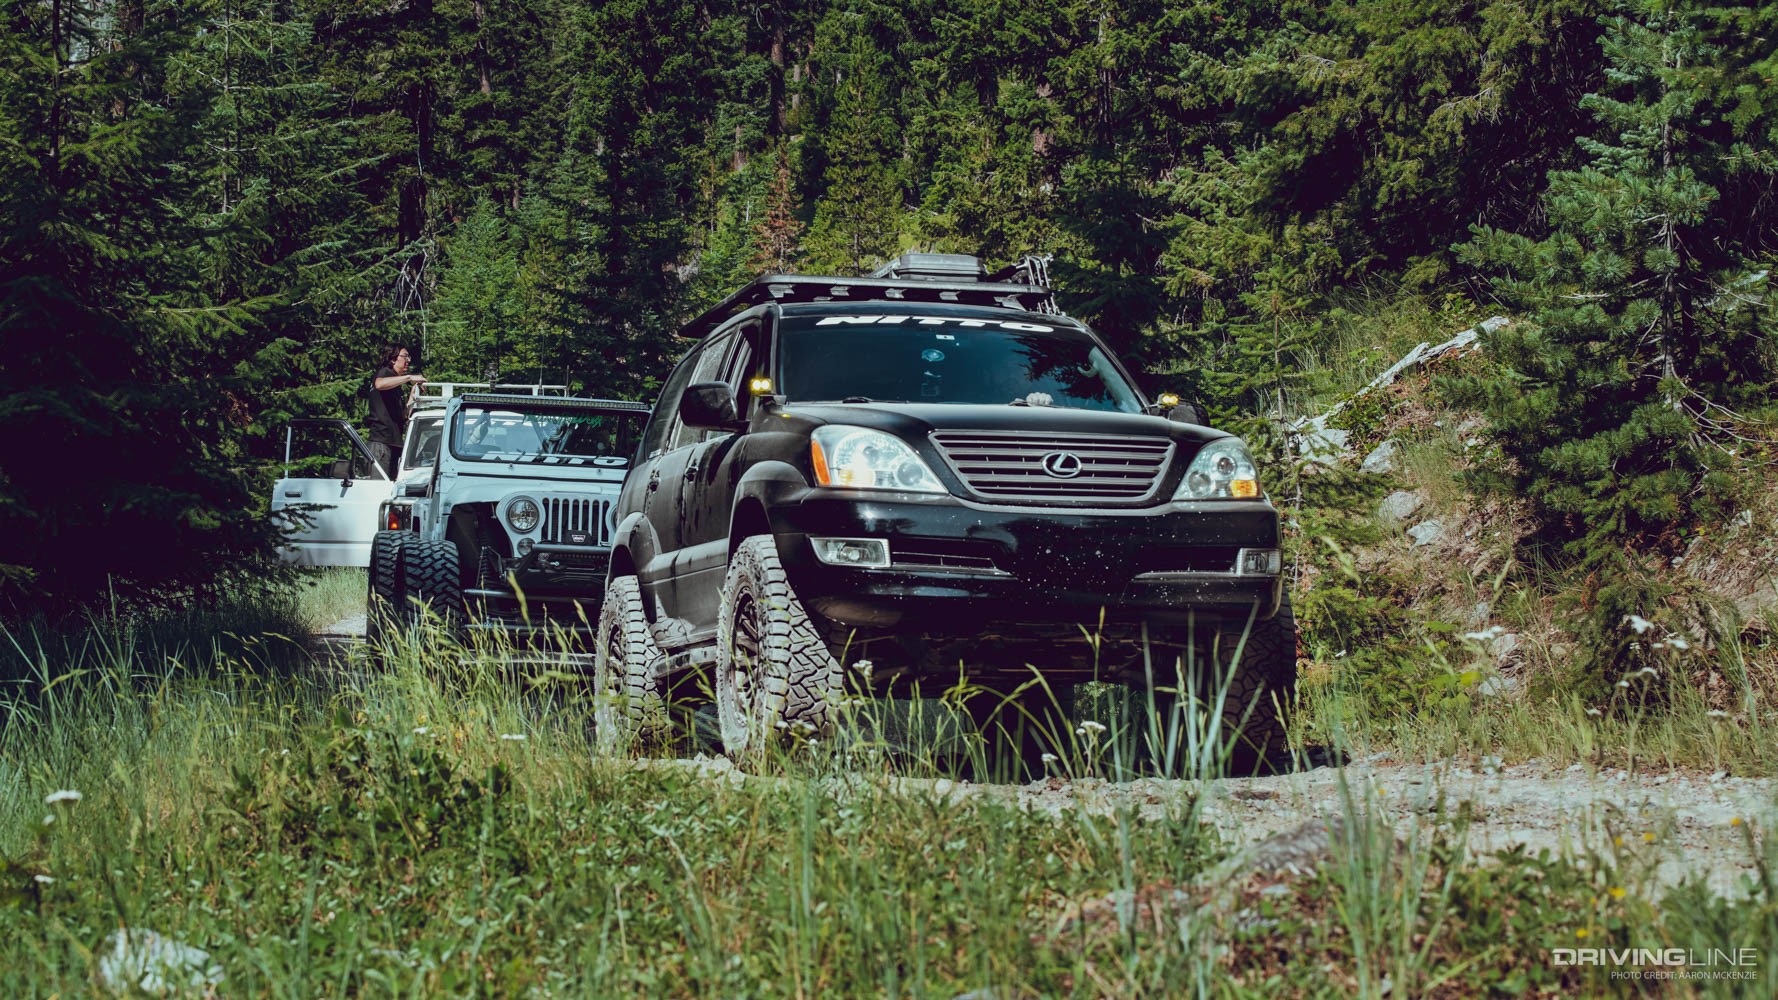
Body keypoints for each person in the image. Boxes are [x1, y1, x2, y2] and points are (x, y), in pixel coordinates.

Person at [366, 344, 424, 477]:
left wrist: (413, 396)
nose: (408, 360)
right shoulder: (385, 372)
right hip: (381, 443)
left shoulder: (396, 385)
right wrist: (409, 377)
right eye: (405, 356)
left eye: (409, 357)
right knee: (380, 487)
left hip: (395, 443)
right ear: (393, 359)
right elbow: (379, 384)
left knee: (393, 486)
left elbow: (403, 415)